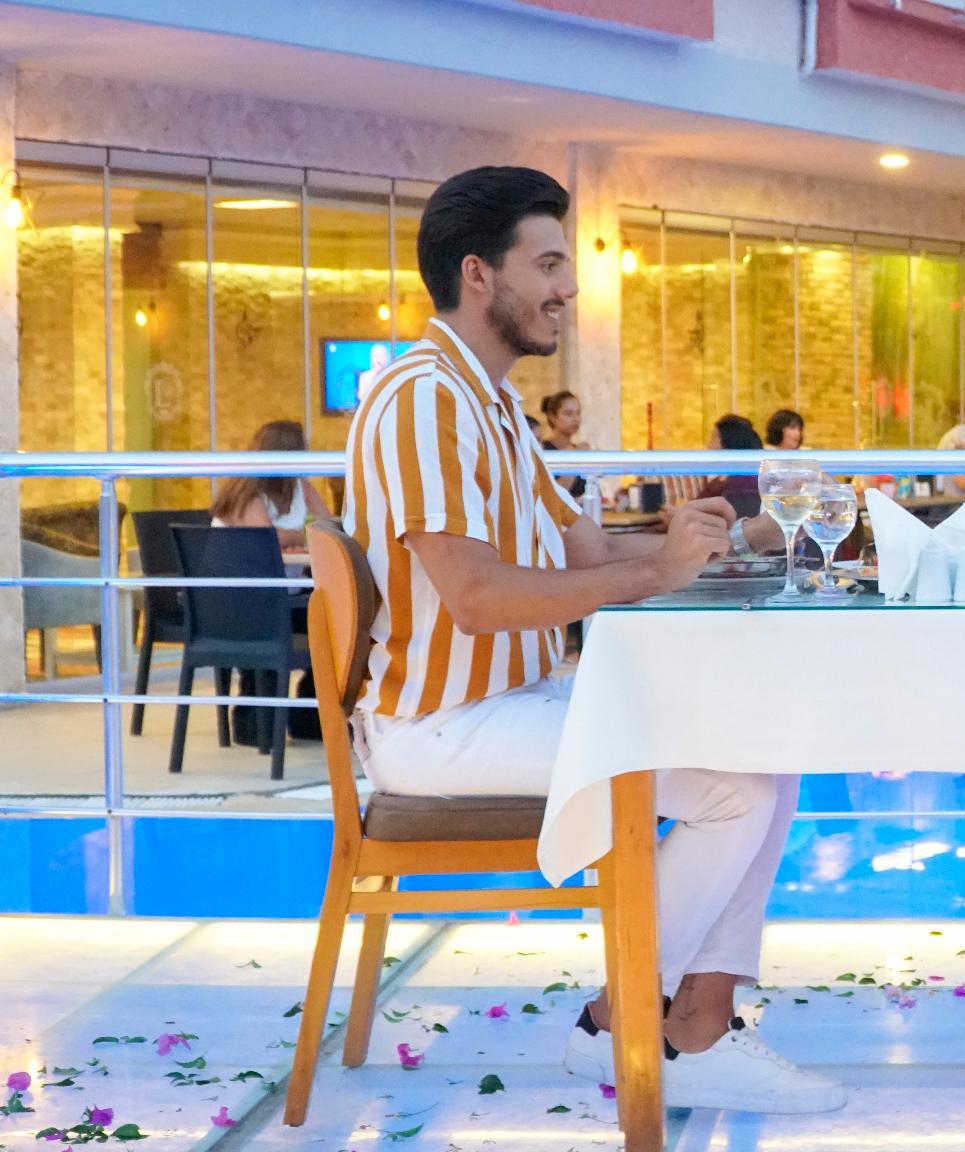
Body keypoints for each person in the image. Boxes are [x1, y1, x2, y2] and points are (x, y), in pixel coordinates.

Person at [340, 166, 841, 1113]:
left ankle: (698, 1025)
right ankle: (626, 1026)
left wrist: (740, 537)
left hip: (512, 699)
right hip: (442, 723)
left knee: (763, 753)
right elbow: (477, 598)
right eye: (549, 264)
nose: (569, 287)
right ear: (480, 273)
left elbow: (589, 550)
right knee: (734, 791)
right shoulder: (420, 402)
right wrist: (656, 574)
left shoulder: (491, 403)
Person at [210, 420, 333, 550]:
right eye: (303, 451)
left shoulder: (300, 485)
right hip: (236, 562)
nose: (307, 457)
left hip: (282, 563)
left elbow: (330, 528)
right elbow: (267, 539)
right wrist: (308, 536)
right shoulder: (245, 493)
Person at [538, 390, 590, 500]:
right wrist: (577, 458)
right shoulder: (543, 450)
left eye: (578, 413)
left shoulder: (578, 449)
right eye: (568, 413)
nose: (576, 419)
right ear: (552, 417)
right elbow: (552, 495)